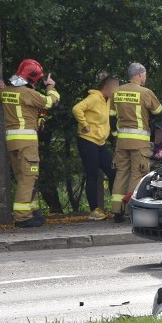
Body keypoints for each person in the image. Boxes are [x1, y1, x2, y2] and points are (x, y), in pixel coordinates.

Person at [0, 59, 60, 228]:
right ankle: (23, 217)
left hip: (12, 144)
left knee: (23, 178)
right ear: (32, 78)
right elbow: (51, 102)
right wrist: (50, 86)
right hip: (27, 143)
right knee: (28, 179)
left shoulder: (5, 92)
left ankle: (33, 212)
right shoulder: (27, 93)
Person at [111, 63, 162, 223]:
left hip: (121, 142)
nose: (145, 77)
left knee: (121, 173)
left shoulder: (116, 91)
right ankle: (130, 209)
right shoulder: (145, 92)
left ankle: (116, 211)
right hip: (139, 142)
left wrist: (116, 135)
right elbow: (158, 110)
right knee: (137, 174)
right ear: (140, 75)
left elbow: (112, 115)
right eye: (145, 74)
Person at [72, 75, 119, 220]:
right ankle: (94, 210)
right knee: (92, 174)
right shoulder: (94, 98)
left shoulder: (108, 101)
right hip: (88, 141)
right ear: (107, 87)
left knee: (113, 172)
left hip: (100, 142)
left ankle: (117, 208)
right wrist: (84, 125)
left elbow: (111, 114)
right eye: (115, 87)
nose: (116, 91)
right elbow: (76, 108)